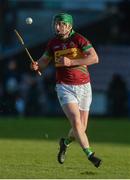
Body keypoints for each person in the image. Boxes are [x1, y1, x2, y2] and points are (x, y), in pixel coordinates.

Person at [31, 13, 102, 168]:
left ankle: (65, 142)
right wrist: (37, 65)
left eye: (61, 24)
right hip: (64, 87)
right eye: (56, 23)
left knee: (81, 128)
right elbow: (44, 60)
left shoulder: (79, 39)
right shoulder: (53, 43)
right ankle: (90, 154)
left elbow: (94, 58)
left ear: (69, 26)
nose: (57, 27)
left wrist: (71, 61)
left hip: (84, 86)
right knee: (76, 121)